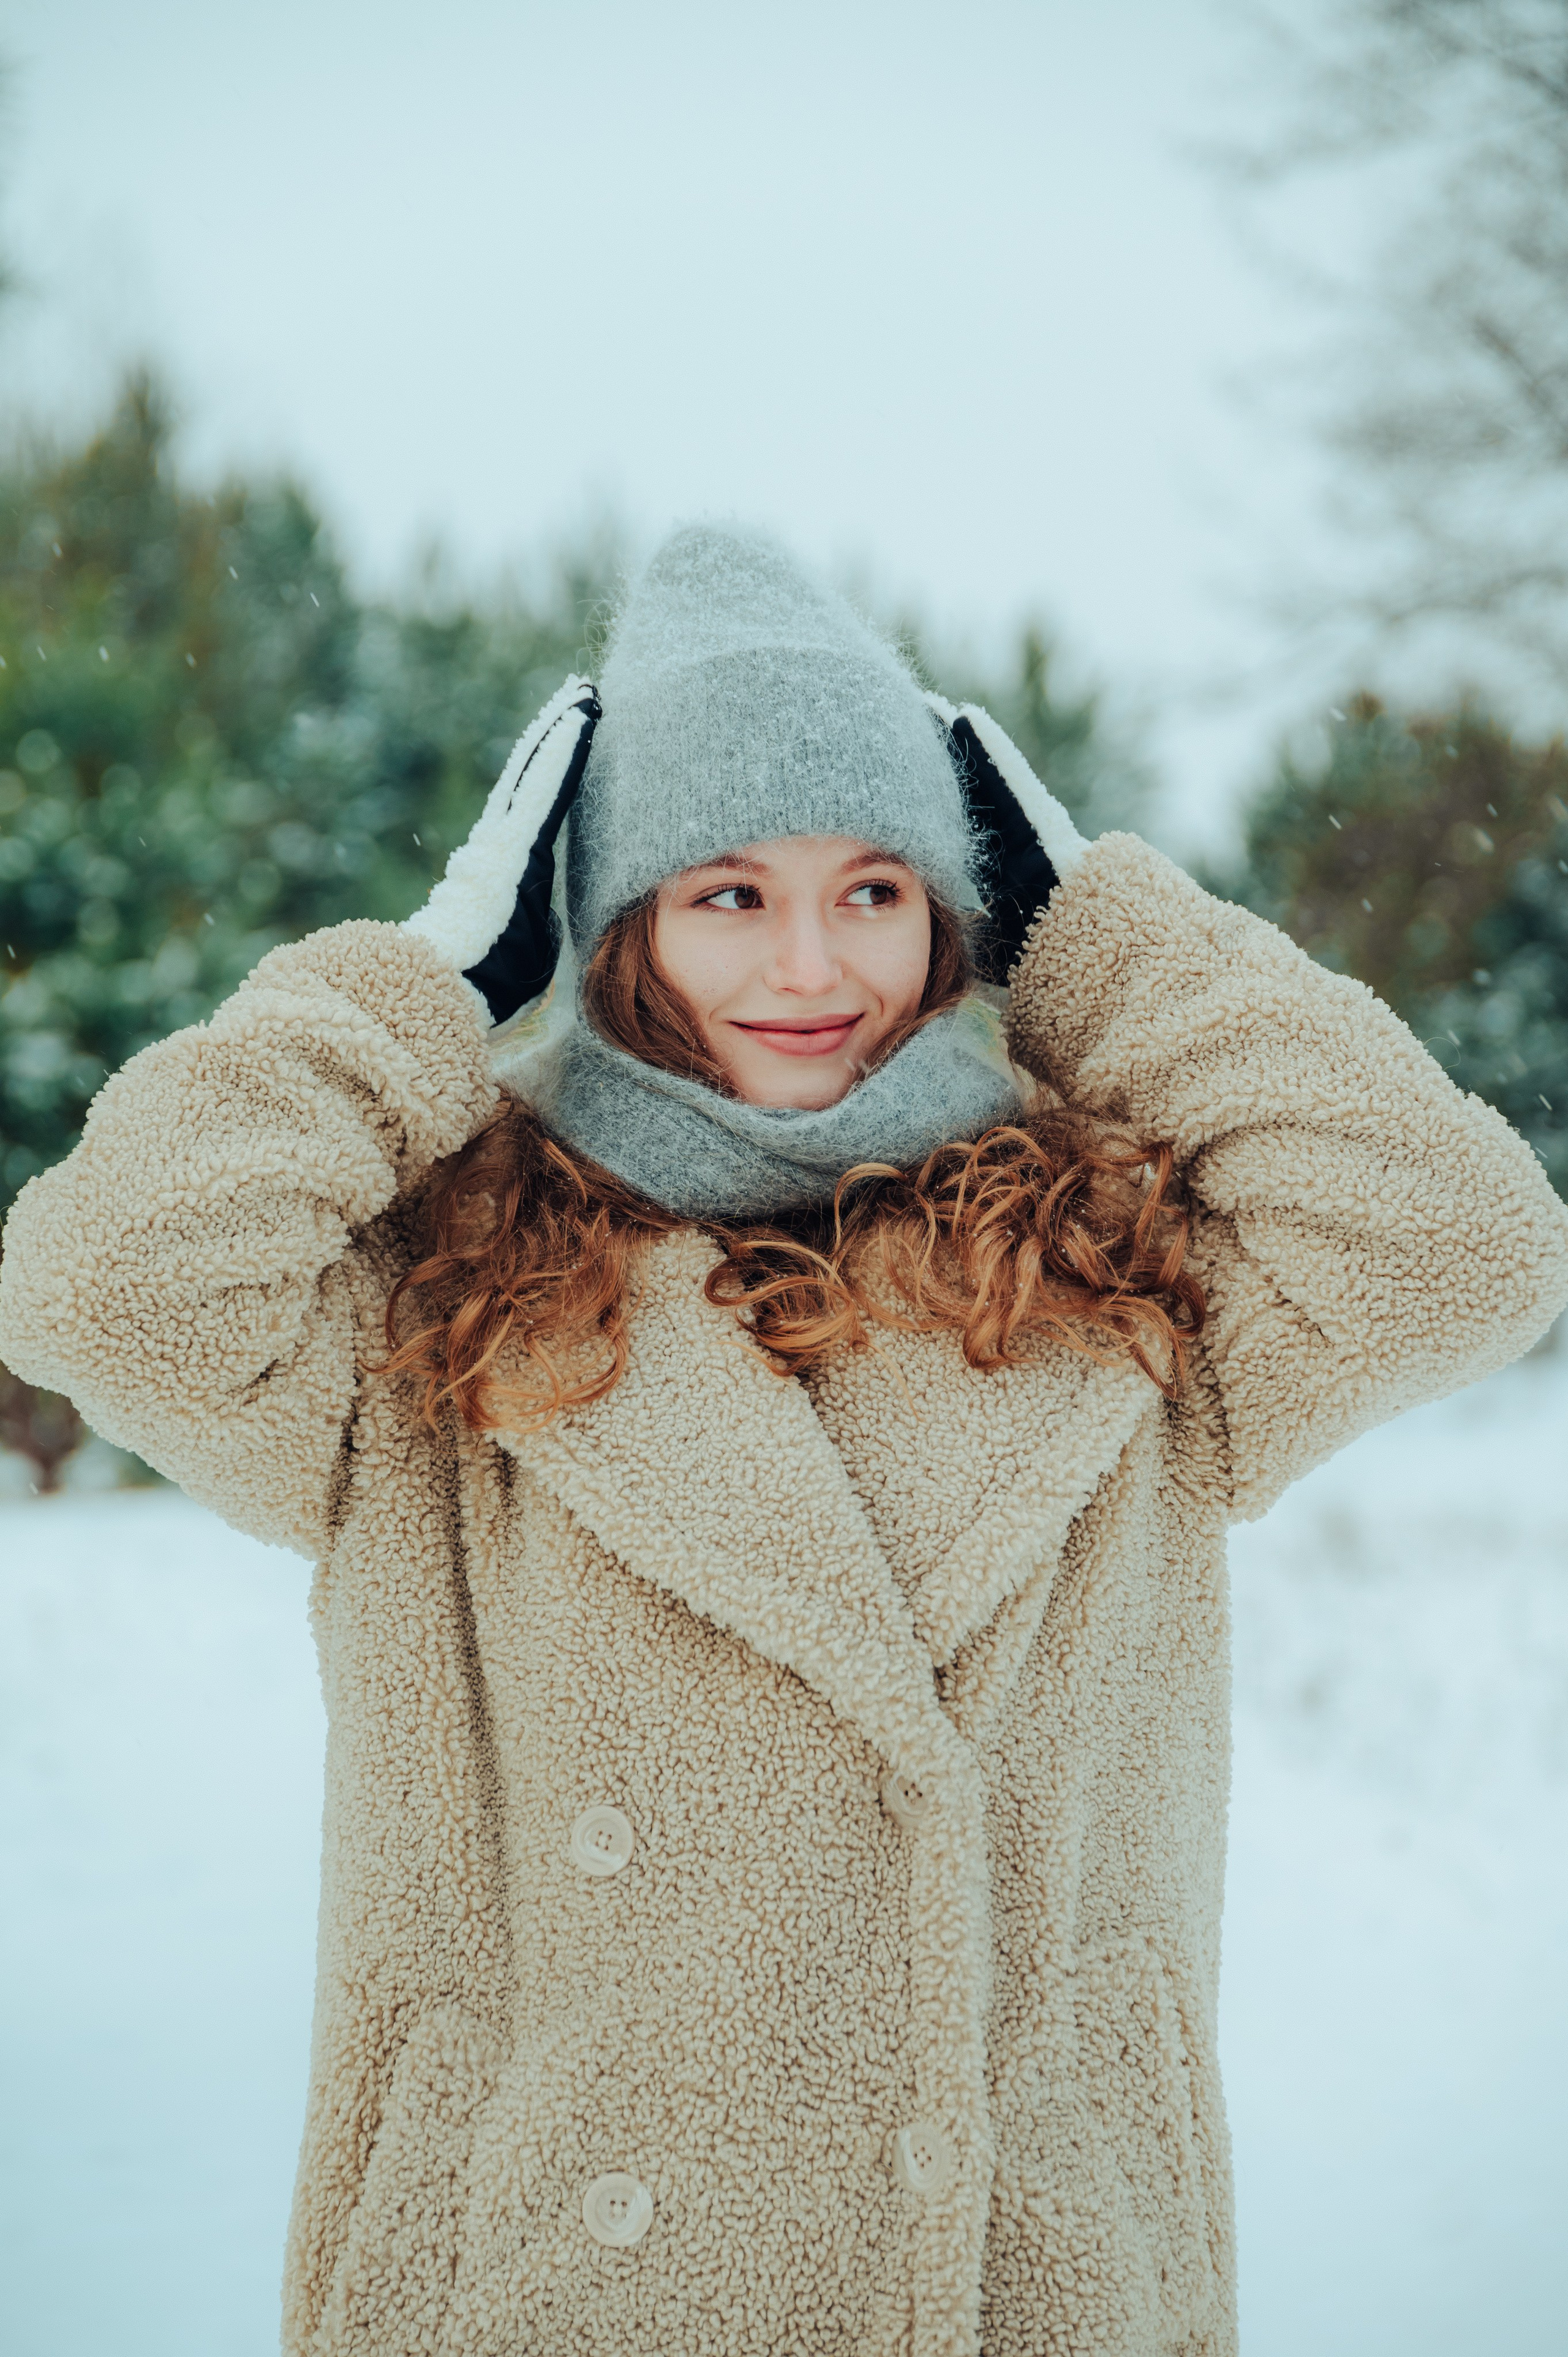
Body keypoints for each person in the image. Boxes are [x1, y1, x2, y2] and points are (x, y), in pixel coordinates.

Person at [2, 524, 1564, 2357]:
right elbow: (102, 1289)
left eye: (878, 886)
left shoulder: (1114, 1271)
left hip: (1028, 2285)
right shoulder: (434, 1295)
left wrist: (1111, 941)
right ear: (616, 929)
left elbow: (1464, 1246)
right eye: (727, 892)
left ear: (958, 911)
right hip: (529, 2274)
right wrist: (427, 979)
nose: (814, 964)